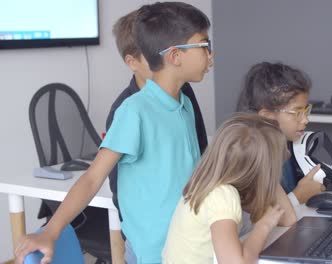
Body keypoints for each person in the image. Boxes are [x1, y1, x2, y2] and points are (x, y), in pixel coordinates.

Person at [15, 2, 214, 263]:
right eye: (204, 46)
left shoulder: (184, 104)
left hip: (190, 243)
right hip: (155, 254)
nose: (211, 55)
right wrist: (52, 230)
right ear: (175, 56)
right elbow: (92, 178)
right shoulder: (135, 111)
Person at [107, 8, 208, 221]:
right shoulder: (126, 109)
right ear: (132, 62)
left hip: (189, 220)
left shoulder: (184, 94)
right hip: (154, 233)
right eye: (151, 55)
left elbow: (200, 150)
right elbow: (116, 187)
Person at [237, 62, 332, 208]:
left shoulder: (290, 146)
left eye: (306, 111)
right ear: (267, 116)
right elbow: (258, 221)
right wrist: (297, 197)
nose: (306, 119)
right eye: (297, 112)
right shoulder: (250, 161)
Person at [162, 113, 297, 264]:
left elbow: (288, 219)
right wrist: (263, 226)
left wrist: (268, 173)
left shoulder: (212, 184)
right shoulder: (222, 195)